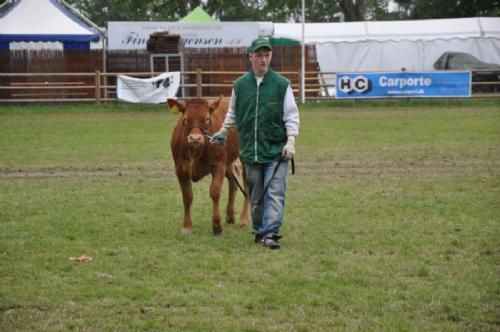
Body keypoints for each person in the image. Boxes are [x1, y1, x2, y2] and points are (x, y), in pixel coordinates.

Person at [210, 37, 300, 250]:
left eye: (267, 55)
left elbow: (291, 116)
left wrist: (291, 141)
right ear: (250, 57)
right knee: (256, 195)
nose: (263, 59)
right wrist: (223, 132)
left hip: (276, 151)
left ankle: (270, 232)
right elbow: (232, 114)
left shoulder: (281, 84)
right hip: (250, 151)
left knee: (275, 192)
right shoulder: (240, 85)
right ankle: (261, 230)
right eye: (259, 55)